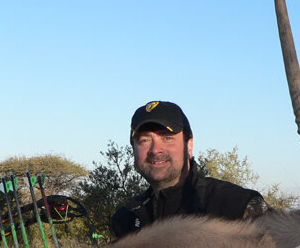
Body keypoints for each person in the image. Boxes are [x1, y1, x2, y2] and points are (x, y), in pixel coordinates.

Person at [111, 101, 268, 239]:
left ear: (189, 146)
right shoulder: (126, 219)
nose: (155, 150)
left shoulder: (235, 204)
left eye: (167, 138)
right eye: (144, 141)